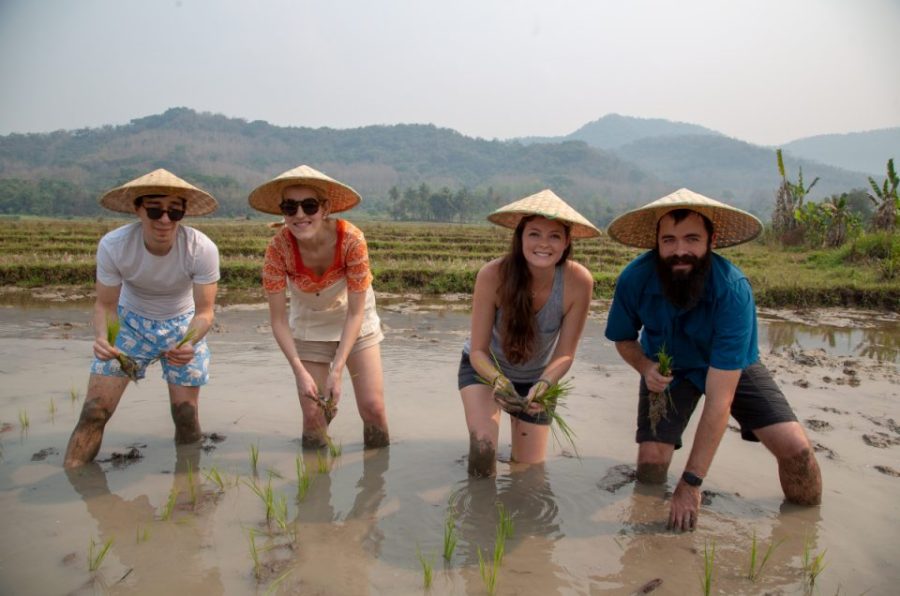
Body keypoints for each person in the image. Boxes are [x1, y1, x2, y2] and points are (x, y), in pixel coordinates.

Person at [604, 188, 822, 530]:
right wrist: (645, 367)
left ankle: (805, 532)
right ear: (656, 242)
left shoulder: (732, 289)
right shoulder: (634, 278)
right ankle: (644, 528)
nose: (680, 251)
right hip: (667, 367)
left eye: (692, 239)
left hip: (732, 367)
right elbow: (623, 338)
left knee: (798, 453)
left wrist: (691, 483)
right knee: (650, 463)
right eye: (669, 240)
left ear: (711, 240)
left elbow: (720, 399)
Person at [64, 169, 220, 468]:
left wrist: (188, 342)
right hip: (129, 323)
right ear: (137, 208)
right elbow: (106, 305)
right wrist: (104, 338)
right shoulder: (115, 245)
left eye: (174, 211)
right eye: (155, 209)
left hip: (182, 324)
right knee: (94, 411)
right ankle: (74, 477)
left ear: (183, 213)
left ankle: (188, 485)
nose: (164, 219)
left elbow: (204, 312)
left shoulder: (201, 249)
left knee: (185, 415)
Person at [459, 189, 598, 477]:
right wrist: (498, 380)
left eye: (554, 236)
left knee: (528, 471)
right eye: (534, 234)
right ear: (520, 237)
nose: (543, 244)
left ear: (567, 242)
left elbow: (565, 353)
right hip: (485, 371)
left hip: (538, 379)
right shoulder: (492, 275)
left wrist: (545, 384)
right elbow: (478, 351)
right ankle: (479, 518)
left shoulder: (577, 282)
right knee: (483, 452)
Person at [249, 165, 389, 449]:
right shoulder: (278, 249)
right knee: (314, 415)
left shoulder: (351, 240)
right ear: (283, 212)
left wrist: (337, 369)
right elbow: (278, 320)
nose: (300, 215)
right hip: (310, 324)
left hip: (354, 322)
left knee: (373, 408)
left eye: (309, 206)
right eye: (290, 208)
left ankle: (376, 484)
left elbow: (355, 312)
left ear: (324, 209)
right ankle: (314, 488)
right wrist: (299, 371)